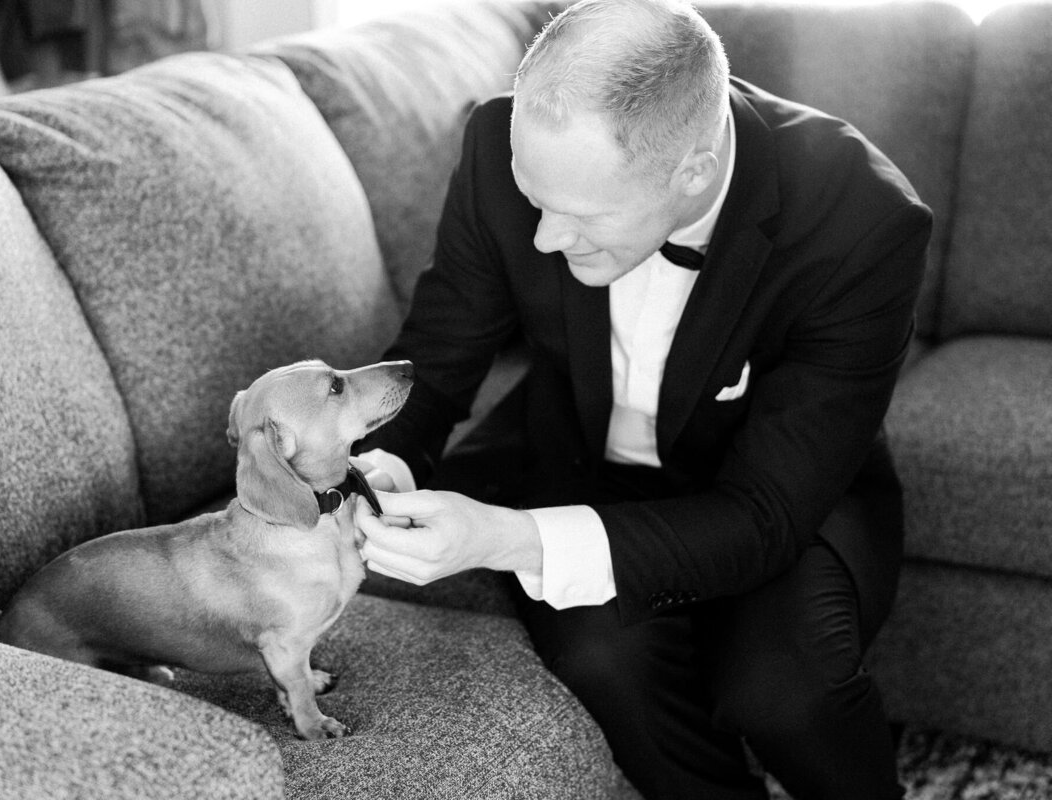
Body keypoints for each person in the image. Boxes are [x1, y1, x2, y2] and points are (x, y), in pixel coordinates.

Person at [351, 0, 931, 797]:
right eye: (534, 199)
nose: (546, 239)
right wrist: (384, 461)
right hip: (581, 461)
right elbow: (439, 359)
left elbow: (763, 516)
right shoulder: (498, 144)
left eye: (581, 216)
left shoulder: (863, 222)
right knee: (601, 660)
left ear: (692, 170)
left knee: (782, 691)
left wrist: (508, 539)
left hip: (782, 490)